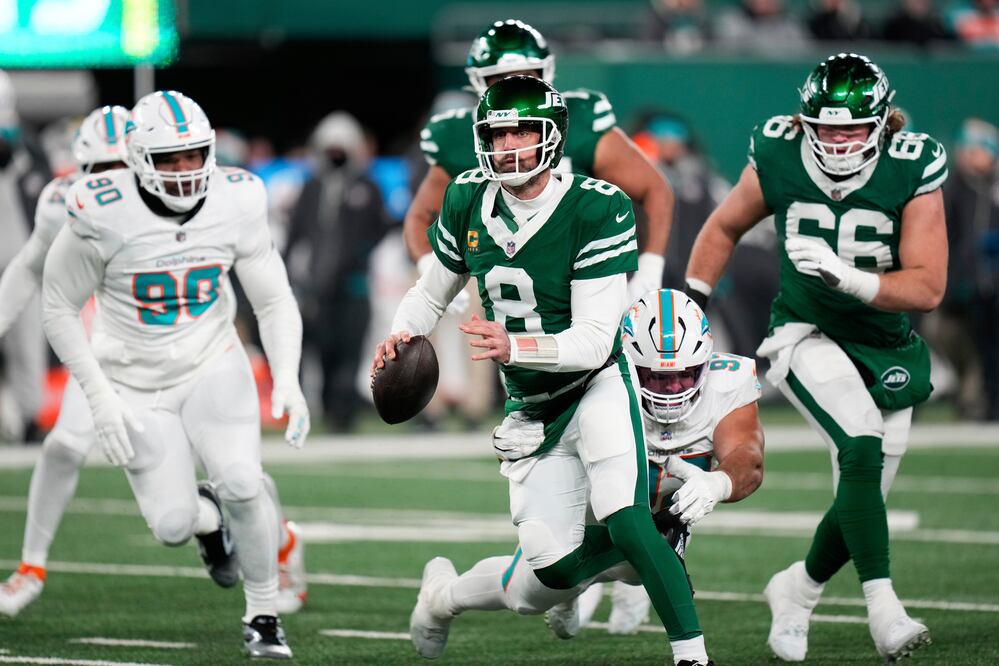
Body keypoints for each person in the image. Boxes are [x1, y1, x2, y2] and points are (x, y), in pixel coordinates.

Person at [373, 76, 711, 666]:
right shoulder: (467, 197)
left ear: (550, 136)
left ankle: (691, 655)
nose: (506, 146)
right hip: (532, 407)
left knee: (628, 520)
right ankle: (443, 597)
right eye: (496, 134)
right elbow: (430, 293)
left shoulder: (596, 206)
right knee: (545, 579)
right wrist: (402, 335)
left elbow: (593, 340)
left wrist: (514, 345)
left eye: (520, 132)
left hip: (597, 383)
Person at [0, 105, 308, 621]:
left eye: (121, 165)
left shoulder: (212, 197)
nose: (113, 180)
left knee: (239, 476)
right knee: (70, 447)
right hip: (109, 359)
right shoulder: (74, 206)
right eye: (101, 171)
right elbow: (31, 275)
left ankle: (272, 544)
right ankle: (32, 566)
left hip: (199, 351)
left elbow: (271, 293)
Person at [685, 53, 946, 662]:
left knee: (862, 496)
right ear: (804, 122)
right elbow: (722, 228)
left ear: (883, 124)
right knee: (860, 444)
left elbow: (929, 286)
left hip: (883, 340)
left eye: (853, 128)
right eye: (826, 127)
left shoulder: (912, 165)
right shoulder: (777, 150)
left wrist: (849, 278)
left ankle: (797, 591)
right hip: (803, 332)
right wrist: (693, 304)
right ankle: (884, 607)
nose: (838, 140)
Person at [405, 19, 672, 308]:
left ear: (545, 73)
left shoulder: (581, 121)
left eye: (524, 76)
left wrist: (650, 266)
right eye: (501, 79)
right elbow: (419, 217)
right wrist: (431, 268)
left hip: (582, 278)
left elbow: (655, 189)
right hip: (505, 291)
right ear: (479, 82)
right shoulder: (458, 137)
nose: (515, 89)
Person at [569, 288, 764, 635]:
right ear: (630, 363)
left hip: (657, 525)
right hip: (580, 520)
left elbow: (748, 459)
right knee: (530, 589)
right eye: (659, 376)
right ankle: (443, 598)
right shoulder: (596, 376)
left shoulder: (727, 382)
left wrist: (716, 483)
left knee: (650, 553)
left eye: (685, 374)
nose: (673, 388)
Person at [284, 111, 389, 431]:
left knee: (351, 347)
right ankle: (327, 406)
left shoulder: (366, 186)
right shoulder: (312, 187)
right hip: (317, 286)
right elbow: (296, 234)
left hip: (354, 285)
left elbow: (379, 227)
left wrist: (359, 256)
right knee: (324, 348)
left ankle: (344, 412)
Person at [0, 69, 51, 443]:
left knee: (27, 340)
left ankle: (30, 415)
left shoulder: (26, 148)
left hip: (20, 257)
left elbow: (44, 197)